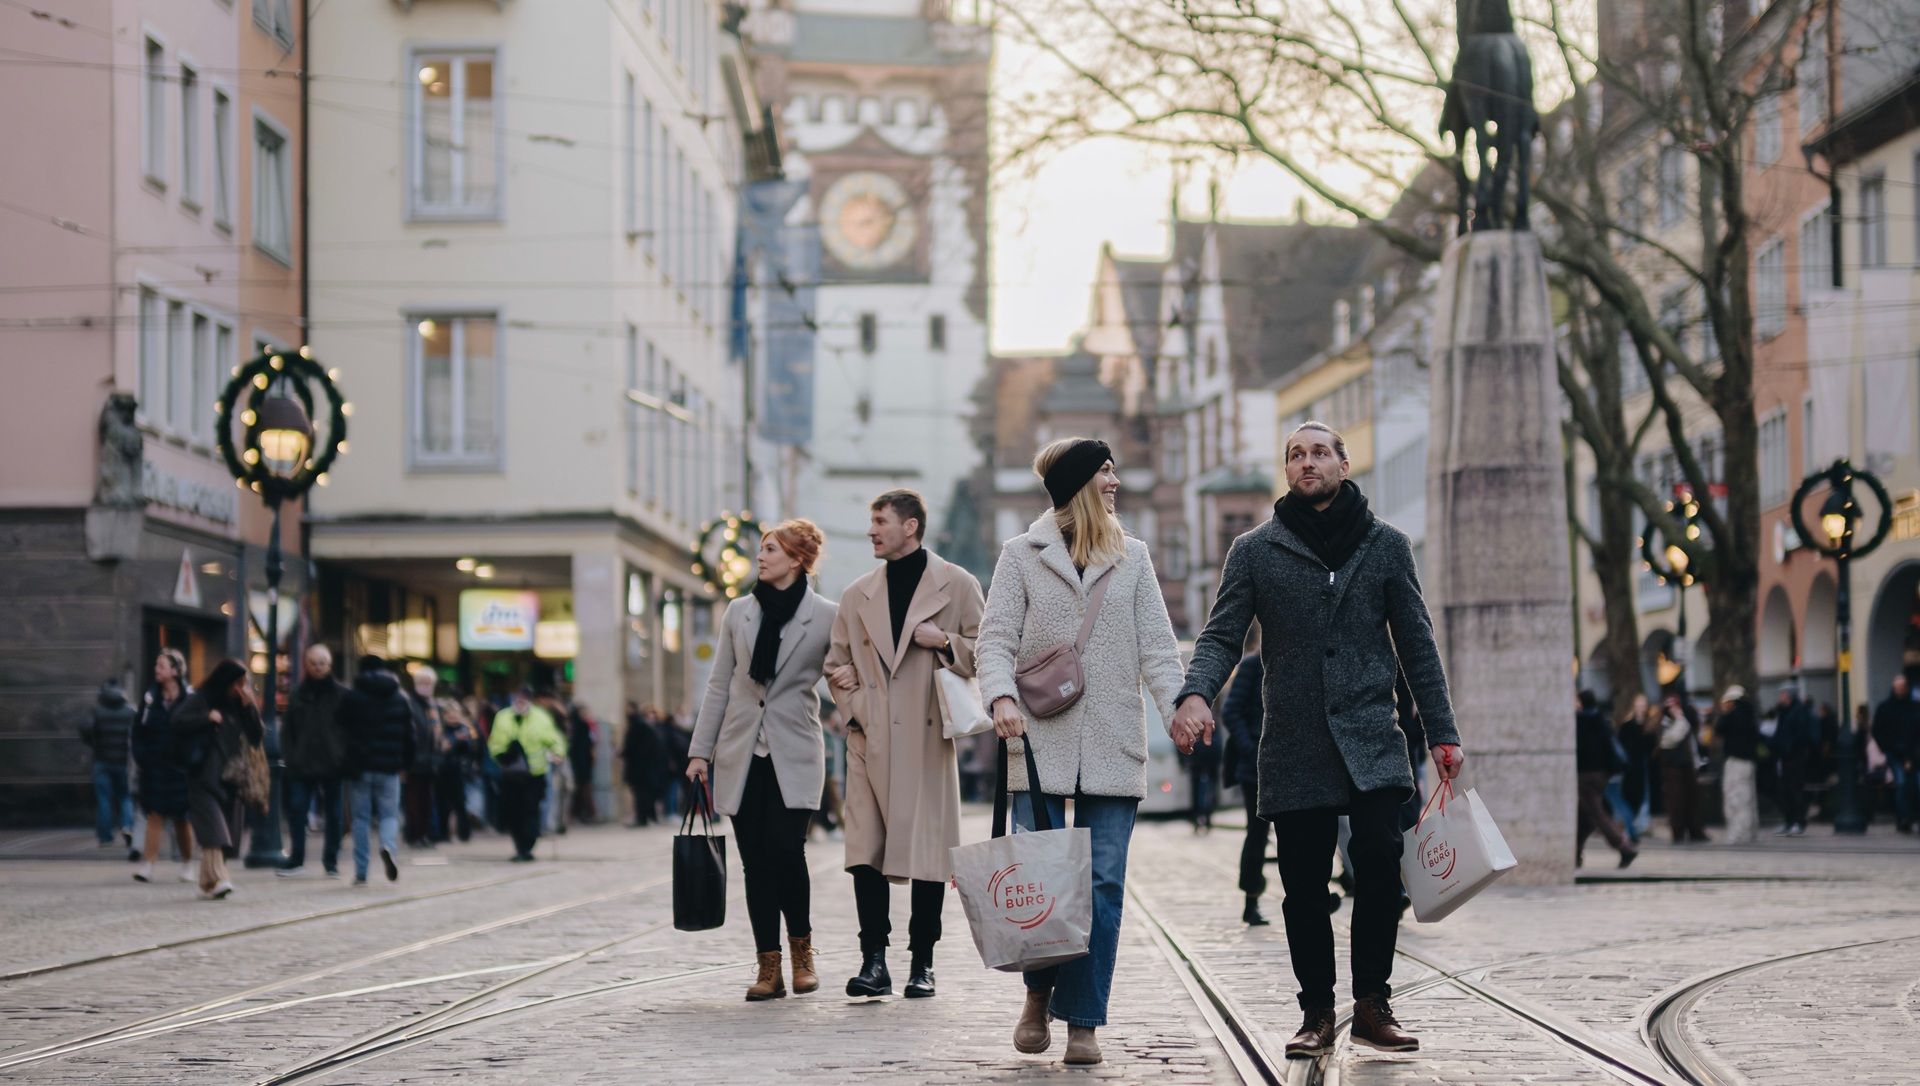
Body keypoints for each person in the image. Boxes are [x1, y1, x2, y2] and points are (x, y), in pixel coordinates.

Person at [1172, 421, 1464, 1060]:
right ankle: (1316, 1011)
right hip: (1295, 739)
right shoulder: (1254, 550)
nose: (1308, 463)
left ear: (1344, 462)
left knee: (1382, 872)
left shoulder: (1387, 545)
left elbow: (1417, 643)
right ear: (1287, 469)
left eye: (1320, 453)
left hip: (1371, 735)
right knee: (1303, 885)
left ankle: (1372, 1005)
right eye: (1296, 455)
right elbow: (1223, 634)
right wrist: (1196, 692)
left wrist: (1442, 733)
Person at [976, 438, 1185, 1066]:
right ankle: (1038, 994)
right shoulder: (1021, 555)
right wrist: (1000, 700)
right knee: (1041, 883)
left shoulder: (1134, 557)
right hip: (1036, 740)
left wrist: (1180, 711)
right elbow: (994, 640)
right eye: (1104, 472)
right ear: (1077, 485)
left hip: (1113, 740)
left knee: (1101, 885)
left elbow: (1157, 645)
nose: (1115, 481)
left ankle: (1084, 1020)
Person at [825, 488, 985, 1003]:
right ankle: (874, 961)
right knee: (865, 853)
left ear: (910, 526)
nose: (870, 531)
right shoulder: (856, 595)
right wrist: (855, 709)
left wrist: (943, 642)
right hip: (869, 741)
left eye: (879, 521)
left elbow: (989, 652)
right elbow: (835, 665)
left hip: (925, 736)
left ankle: (923, 963)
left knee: (928, 854)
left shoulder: (957, 584)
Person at [687, 520, 837, 1001]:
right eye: (762, 549)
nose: (761, 556)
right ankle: (767, 968)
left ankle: (802, 956)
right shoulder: (739, 612)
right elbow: (719, 685)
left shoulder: (826, 616)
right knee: (755, 863)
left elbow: (842, 677)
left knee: (788, 853)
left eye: (771, 549)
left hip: (795, 749)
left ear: (796, 559)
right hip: (741, 751)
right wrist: (699, 751)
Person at [171, 659, 265, 899]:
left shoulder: (238, 705)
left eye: (245, 684)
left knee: (227, 835)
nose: (241, 689)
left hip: (231, 776)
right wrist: (206, 718)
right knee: (214, 829)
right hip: (202, 772)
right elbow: (176, 721)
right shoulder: (201, 699)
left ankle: (208, 882)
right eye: (238, 684)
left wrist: (249, 707)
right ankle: (220, 878)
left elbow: (256, 737)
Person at [340, 656, 416, 884]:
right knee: (389, 815)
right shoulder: (399, 697)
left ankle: (361, 872)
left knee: (360, 818)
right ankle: (387, 846)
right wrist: (406, 764)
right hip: (390, 766)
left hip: (360, 767)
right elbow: (409, 735)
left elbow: (341, 728)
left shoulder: (352, 697)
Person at [278, 644, 350, 878]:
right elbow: (288, 729)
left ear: (329, 665)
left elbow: (350, 729)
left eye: (322, 663)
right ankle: (296, 858)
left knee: (334, 814)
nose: (318, 668)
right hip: (302, 762)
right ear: (306, 665)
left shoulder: (342, 694)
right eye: (314, 663)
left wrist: (343, 755)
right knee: (297, 810)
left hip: (333, 763)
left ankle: (331, 861)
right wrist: (290, 755)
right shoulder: (298, 694)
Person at [130, 649, 196, 884]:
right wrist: (143, 758)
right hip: (155, 767)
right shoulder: (150, 700)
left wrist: (192, 760)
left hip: (181, 768)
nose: (157, 670)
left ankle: (188, 862)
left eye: (162, 666)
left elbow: (197, 731)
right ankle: (147, 864)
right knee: (154, 815)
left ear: (175, 671)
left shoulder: (189, 698)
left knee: (182, 819)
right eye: (156, 666)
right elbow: (138, 731)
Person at [1219, 631, 1269, 926]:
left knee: (1304, 833)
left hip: (1293, 763)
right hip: (1257, 767)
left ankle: (1313, 896)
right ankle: (1251, 900)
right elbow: (1231, 711)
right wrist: (1251, 748)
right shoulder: (1252, 665)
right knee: (1257, 834)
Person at [489, 687, 569, 861]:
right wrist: (501, 755)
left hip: (534, 774)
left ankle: (528, 843)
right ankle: (520, 847)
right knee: (513, 812)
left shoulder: (540, 718)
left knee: (530, 810)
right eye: (517, 698)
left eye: (523, 699)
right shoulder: (503, 717)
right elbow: (495, 742)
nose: (520, 702)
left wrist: (558, 753)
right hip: (511, 774)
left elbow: (554, 738)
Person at [1575, 690, 1637, 868]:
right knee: (1583, 814)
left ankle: (1624, 846)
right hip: (1602, 774)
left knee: (1595, 813)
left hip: (1586, 774)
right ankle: (1575, 852)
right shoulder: (1601, 719)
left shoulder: (1579, 721)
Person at [81, 679, 137, 849]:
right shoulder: (130, 712)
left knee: (104, 799)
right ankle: (127, 826)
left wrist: (94, 743)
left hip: (102, 761)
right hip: (123, 762)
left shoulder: (97, 712)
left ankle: (105, 837)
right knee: (125, 797)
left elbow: (85, 729)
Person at [1656, 694, 1708, 843]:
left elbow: (1691, 745)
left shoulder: (1685, 720)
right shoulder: (1666, 722)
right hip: (1673, 767)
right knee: (1676, 801)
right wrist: (1679, 718)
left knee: (1692, 800)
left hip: (1687, 765)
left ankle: (1695, 830)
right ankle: (1678, 832)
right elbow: (1669, 740)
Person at [1870, 676, 1919, 833]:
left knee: (1914, 784)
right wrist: (1887, 748)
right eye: (1897, 687)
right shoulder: (1886, 708)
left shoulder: (1914, 707)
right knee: (1902, 783)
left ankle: (1910, 817)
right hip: (1895, 753)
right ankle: (1904, 818)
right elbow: (1877, 730)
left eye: (1902, 687)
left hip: (1914, 753)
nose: (1900, 690)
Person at [435, 687, 481, 843]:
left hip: (459, 770)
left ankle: (464, 833)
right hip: (443, 770)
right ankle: (443, 833)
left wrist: (457, 744)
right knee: (443, 804)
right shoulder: (440, 730)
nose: (451, 716)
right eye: (448, 713)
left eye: (454, 713)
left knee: (460, 803)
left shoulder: (466, 730)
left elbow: (472, 749)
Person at [403, 667, 442, 848]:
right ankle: (415, 834)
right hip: (415, 761)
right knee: (414, 801)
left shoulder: (433, 705)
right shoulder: (410, 704)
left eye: (428, 683)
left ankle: (425, 834)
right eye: (422, 683)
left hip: (430, 761)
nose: (425, 687)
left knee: (427, 800)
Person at [1717, 685, 1760, 843]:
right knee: (1749, 799)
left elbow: (1719, 728)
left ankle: (1738, 834)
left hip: (1735, 761)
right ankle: (1750, 832)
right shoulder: (1750, 715)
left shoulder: (1732, 715)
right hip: (1749, 762)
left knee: (1736, 798)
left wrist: (1724, 713)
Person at [1773, 685, 1815, 836]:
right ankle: (1789, 821)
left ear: (1789, 696)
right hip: (1785, 755)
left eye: (1783, 694)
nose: (1780, 697)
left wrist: (1789, 747)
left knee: (1795, 789)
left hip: (1795, 756)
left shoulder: (1798, 711)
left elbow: (1801, 733)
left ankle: (1798, 821)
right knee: (1785, 790)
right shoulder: (1783, 711)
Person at [1618, 692, 1655, 837]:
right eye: (1639, 705)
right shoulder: (1628, 725)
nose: (1641, 708)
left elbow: (1650, 745)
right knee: (1631, 793)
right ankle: (1630, 822)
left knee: (1644, 793)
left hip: (1642, 763)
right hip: (1631, 765)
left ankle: (1642, 822)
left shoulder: (1648, 725)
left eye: (1643, 705)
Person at [621, 702, 661, 826]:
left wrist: (624, 753)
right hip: (644, 767)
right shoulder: (645, 726)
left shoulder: (638, 726)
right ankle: (647, 817)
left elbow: (633, 747)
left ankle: (642, 818)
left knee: (641, 794)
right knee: (644, 793)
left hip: (639, 767)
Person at [569, 703, 598, 824]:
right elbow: (587, 745)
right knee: (584, 789)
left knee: (581, 790)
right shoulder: (582, 726)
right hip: (582, 763)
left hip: (579, 762)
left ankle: (579, 814)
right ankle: (588, 813)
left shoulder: (576, 726)